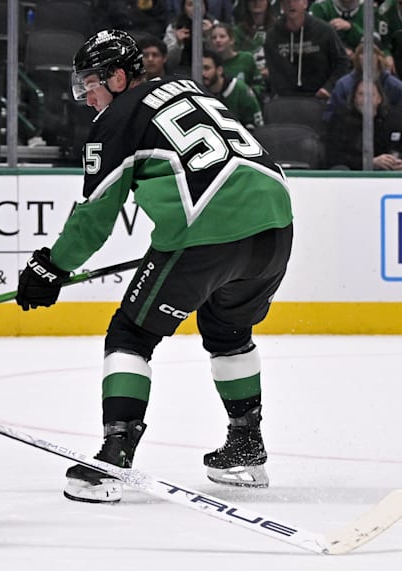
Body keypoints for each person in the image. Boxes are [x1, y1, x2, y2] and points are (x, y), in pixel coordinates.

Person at [15, 30, 293, 503]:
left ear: (119, 77)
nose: (86, 97)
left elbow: (95, 217)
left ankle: (115, 454)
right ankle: (247, 445)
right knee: (228, 332)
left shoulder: (116, 119)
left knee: (130, 335)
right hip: (276, 226)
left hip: (207, 233)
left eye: (91, 85)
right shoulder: (189, 89)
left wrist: (51, 267)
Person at [263, 0, 349, 99]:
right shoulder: (273, 35)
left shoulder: (324, 30)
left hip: (319, 96)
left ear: (305, 3)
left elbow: (342, 62)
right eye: (287, 1)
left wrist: (329, 87)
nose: (291, 4)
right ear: (282, 5)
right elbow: (273, 68)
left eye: (296, 0)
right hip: (286, 99)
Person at [325, 79, 402, 170]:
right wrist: (369, 162)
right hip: (352, 176)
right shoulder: (340, 120)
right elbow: (333, 156)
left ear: (379, 99)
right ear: (354, 98)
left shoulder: (394, 120)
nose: (366, 99)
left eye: (371, 95)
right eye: (361, 94)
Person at [325, 37, 402, 122]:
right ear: (357, 57)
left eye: (371, 52)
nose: (366, 57)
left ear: (379, 56)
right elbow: (330, 115)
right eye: (362, 52)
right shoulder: (343, 84)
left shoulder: (395, 86)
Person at [202, 48, 263, 130]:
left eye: (207, 68)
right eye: (200, 68)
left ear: (219, 70)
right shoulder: (197, 91)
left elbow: (258, 124)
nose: (202, 73)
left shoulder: (240, 89)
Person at [210, 22, 264, 101]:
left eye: (222, 36)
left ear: (231, 40)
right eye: (214, 38)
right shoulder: (210, 63)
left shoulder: (246, 58)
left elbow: (259, 85)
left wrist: (248, 93)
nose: (218, 40)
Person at [163, 0, 217, 76]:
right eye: (190, 4)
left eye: (200, 4)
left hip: (210, 69)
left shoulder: (215, 25)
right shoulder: (174, 26)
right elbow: (169, 61)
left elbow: (221, 56)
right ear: (184, 8)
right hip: (182, 70)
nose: (195, 8)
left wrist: (209, 36)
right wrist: (179, 44)